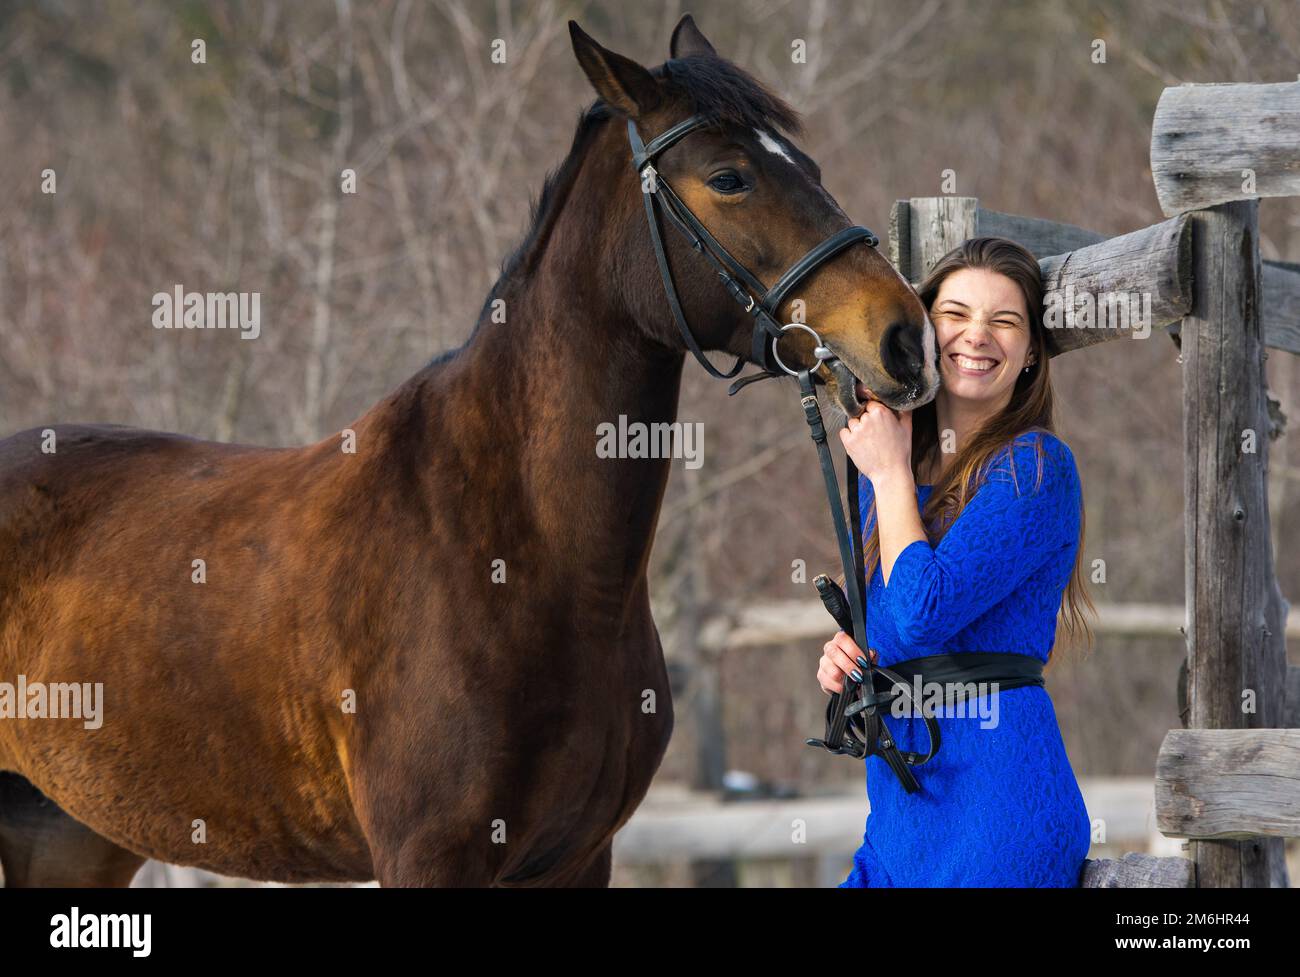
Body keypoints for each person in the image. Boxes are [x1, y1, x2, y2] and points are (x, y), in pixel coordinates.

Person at [819, 236, 1097, 887]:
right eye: (956, 313)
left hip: (996, 817)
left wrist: (887, 474)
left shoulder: (1036, 467)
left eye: (1005, 320)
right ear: (925, 327)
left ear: (1031, 353)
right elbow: (895, 632)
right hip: (898, 817)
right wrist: (850, 653)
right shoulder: (894, 466)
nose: (977, 335)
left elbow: (925, 613)